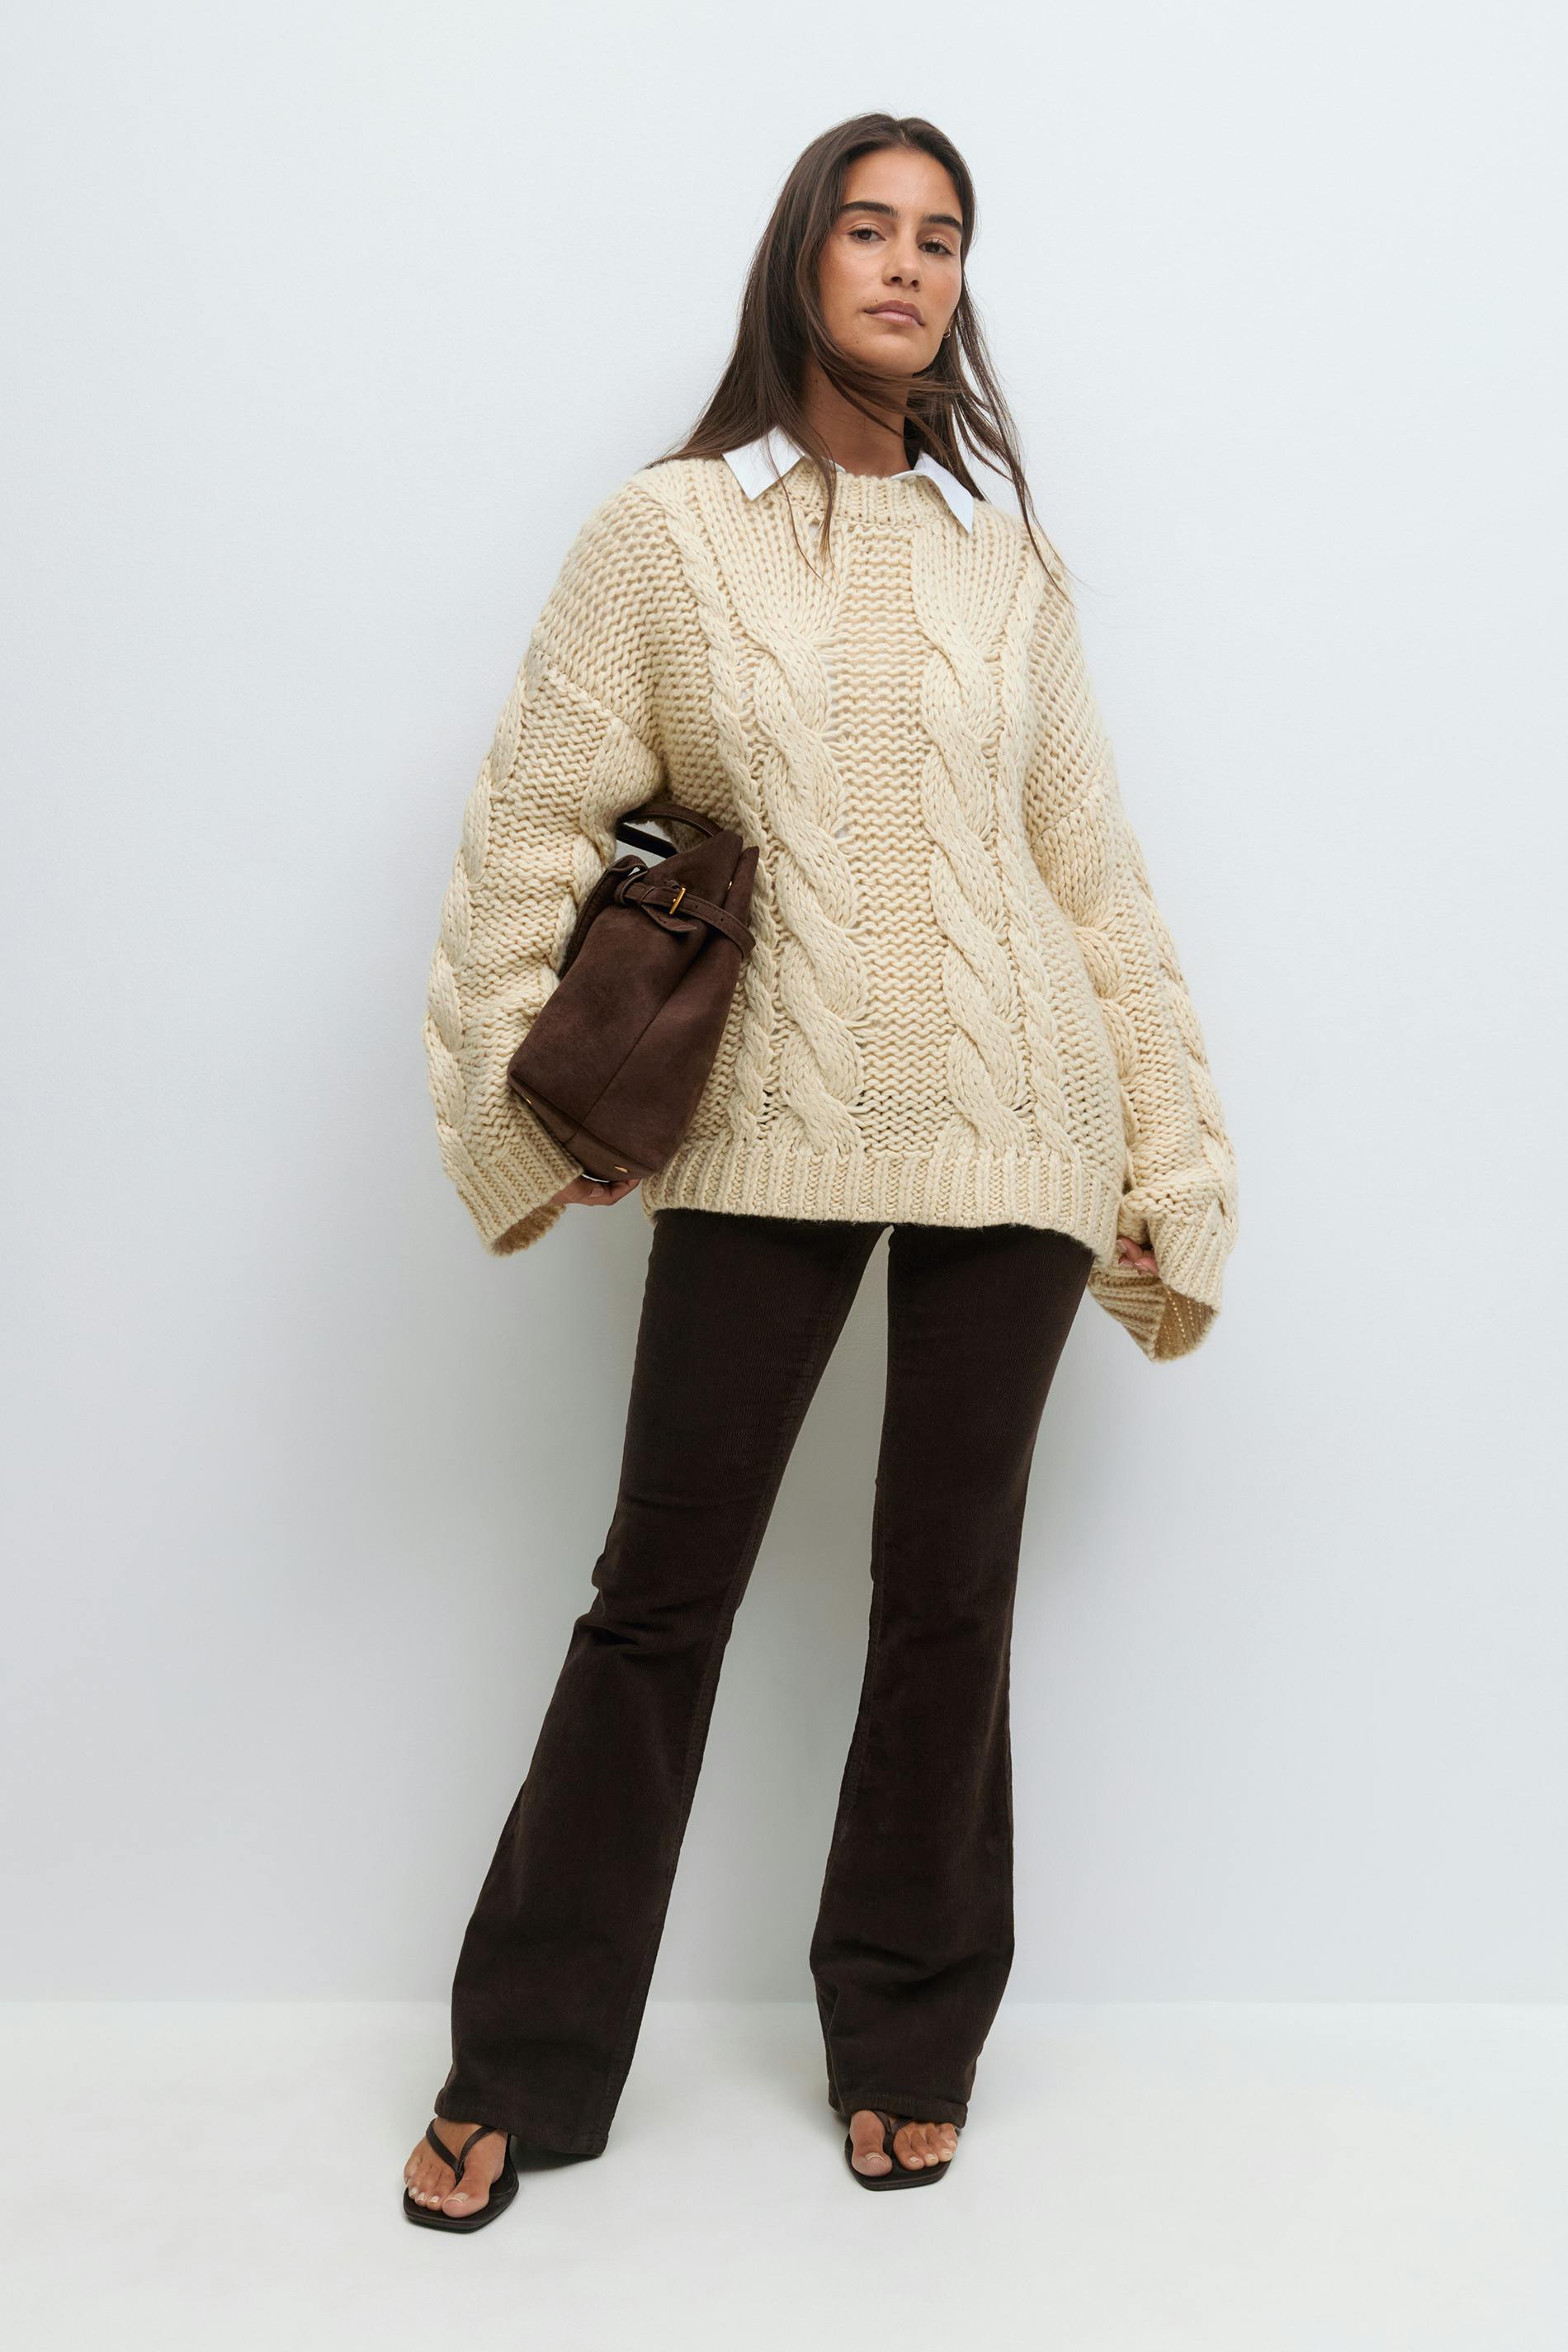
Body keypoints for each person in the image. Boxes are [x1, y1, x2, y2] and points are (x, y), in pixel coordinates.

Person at [404, 110, 1239, 2229]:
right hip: (763, 1122)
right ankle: (524, 2063)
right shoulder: (664, 536)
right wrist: (528, 1096)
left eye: (939, 238)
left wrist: (1165, 1146)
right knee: (656, 1598)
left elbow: (1089, 881)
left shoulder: (1006, 569)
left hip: (1019, 1116)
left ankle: (907, 2037)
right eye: (866, 228)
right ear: (798, 259)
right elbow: (533, 823)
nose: (904, 266)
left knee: (945, 1603)